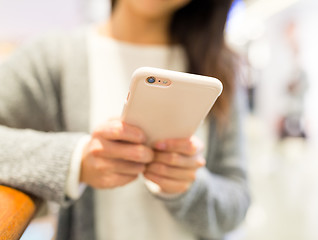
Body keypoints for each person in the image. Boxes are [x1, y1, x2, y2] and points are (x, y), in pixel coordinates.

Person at [0, 0, 250, 239]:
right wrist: (76, 160)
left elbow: (237, 199)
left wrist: (190, 188)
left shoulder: (219, 68)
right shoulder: (53, 56)